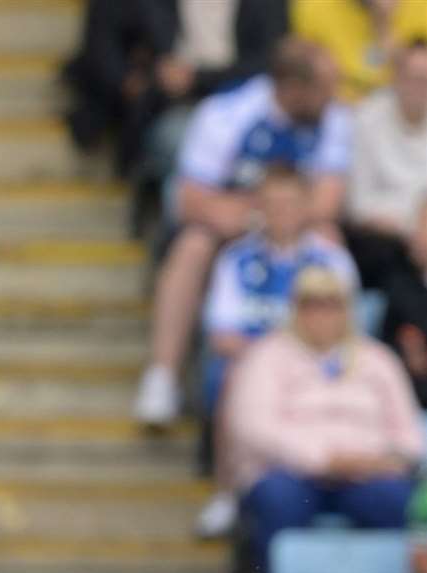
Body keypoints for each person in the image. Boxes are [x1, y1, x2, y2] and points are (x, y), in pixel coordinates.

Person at [136, 37, 350, 427]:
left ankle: (339, 366)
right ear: (293, 88)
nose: (334, 95)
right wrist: (265, 214)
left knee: (328, 237)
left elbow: (328, 201)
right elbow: (189, 199)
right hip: (233, 228)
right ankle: (162, 375)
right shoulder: (228, 113)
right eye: (325, 86)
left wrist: (278, 213)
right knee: (192, 244)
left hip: (290, 224)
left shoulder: (332, 118)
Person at [223, 265, 423, 573]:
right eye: (311, 304)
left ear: (347, 309)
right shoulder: (266, 356)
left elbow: (407, 433)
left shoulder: (378, 359)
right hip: (290, 471)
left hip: (366, 472)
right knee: (278, 498)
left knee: (395, 499)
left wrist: (381, 460)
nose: (321, 315)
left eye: (331, 305)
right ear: (295, 309)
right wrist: (324, 458)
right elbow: (253, 426)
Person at [198, 164, 359, 536]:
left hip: (320, 362)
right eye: (273, 203)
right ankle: (227, 493)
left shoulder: (332, 259)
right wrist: (278, 356)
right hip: (256, 366)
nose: (282, 212)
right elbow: (222, 334)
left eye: (291, 203)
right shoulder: (235, 260)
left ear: (306, 207)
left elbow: (350, 330)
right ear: (259, 207)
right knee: (231, 378)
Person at [62, 0, 288, 182]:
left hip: (249, 104)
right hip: (177, 105)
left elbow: (272, 59)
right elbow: (105, 33)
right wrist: (129, 79)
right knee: (184, 149)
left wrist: (197, 77)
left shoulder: (266, 5)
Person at [345, 40, 427, 401]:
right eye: (414, 78)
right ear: (395, 78)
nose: (421, 88)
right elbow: (359, 204)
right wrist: (415, 227)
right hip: (383, 249)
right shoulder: (368, 118)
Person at [291, 0, 427, 100]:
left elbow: (415, 78)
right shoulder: (311, 6)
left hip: (402, 110)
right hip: (337, 109)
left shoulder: (420, 6)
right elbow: (306, 76)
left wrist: (384, 24)